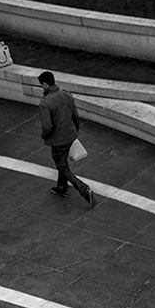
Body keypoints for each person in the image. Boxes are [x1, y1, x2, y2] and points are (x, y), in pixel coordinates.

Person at [37, 70, 96, 208]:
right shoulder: (66, 94)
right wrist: (74, 132)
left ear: (45, 85)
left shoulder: (45, 103)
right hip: (70, 135)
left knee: (62, 166)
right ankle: (62, 187)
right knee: (62, 162)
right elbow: (75, 116)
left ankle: (84, 189)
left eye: (41, 85)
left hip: (58, 140)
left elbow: (47, 127)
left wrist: (44, 136)